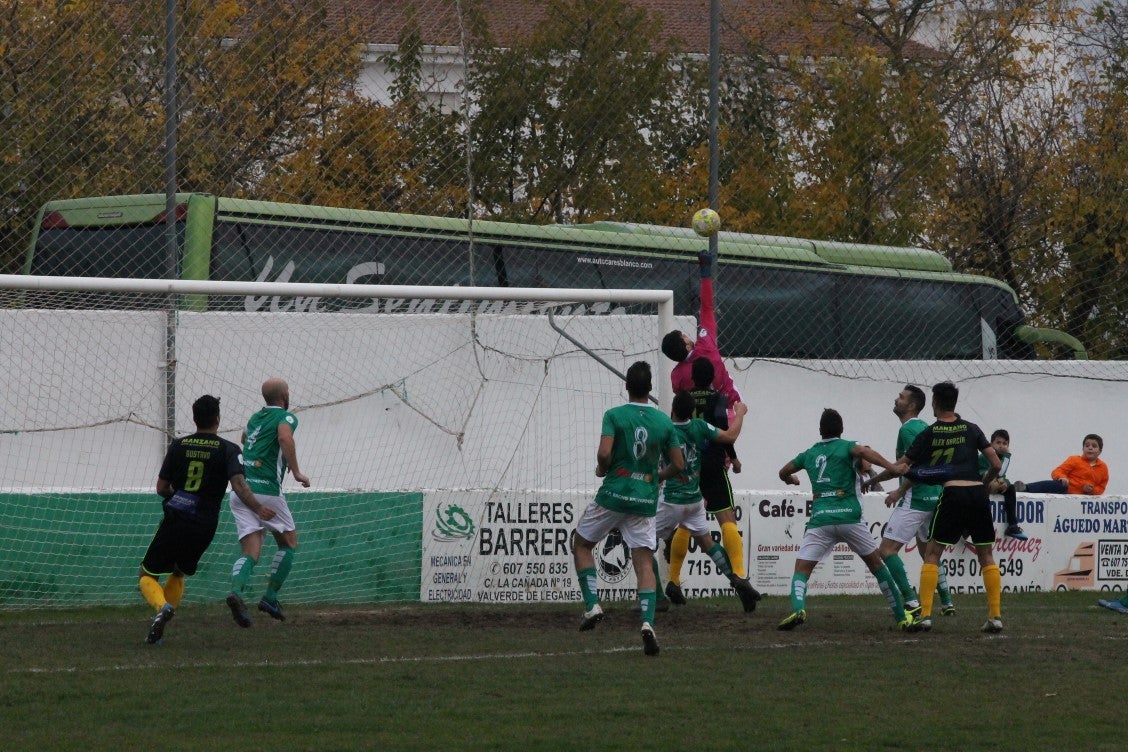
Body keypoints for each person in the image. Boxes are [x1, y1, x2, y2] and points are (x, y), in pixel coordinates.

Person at [868, 381, 1004, 633]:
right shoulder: (972, 428)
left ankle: (926, 615)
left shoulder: (930, 433)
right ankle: (995, 616)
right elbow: (995, 462)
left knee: (931, 554)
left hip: (952, 493)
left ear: (935, 404)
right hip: (977, 494)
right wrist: (984, 485)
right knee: (987, 555)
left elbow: (902, 467)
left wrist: (875, 479)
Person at [138, 395, 275, 645]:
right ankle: (163, 620)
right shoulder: (229, 449)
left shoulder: (178, 446)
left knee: (147, 574)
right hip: (204, 525)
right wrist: (258, 507)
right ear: (218, 419)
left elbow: (161, 487)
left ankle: (161, 608)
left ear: (194, 418)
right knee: (179, 572)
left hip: (176, 518)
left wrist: (178, 496)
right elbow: (239, 485)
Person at [572, 361, 685, 656]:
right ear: (650, 389)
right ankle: (647, 623)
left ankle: (592, 604)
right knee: (644, 562)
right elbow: (679, 465)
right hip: (644, 500)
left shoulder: (614, 415)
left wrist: (601, 467)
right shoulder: (663, 422)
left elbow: (604, 452)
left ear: (626, 386)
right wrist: (656, 478)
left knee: (582, 544)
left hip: (614, 494)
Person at [776, 408, 919, 632]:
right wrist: (892, 467)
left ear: (820, 431)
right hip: (849, 517)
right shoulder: (847, 447)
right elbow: (863, 451)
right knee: (877, 566)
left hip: (821, 519)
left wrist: (790, 479)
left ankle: (798, 609)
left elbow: (783, 471)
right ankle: (901, 617)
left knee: (802, 570)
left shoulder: (810, 453)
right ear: (841, 430)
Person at [664, 358, 758, 610]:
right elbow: (724, 433)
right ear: (713, 376)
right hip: (713, 465)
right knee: (727, 520)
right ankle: (738, 576)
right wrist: (735, 459)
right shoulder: (719, 399)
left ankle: (673, 579)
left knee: (688, 523)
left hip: (686, 471)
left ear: (693, 376)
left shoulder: (684, 400)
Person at [226, 377, 311, 627]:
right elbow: (285, 438)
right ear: (285, 394)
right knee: (289, 543)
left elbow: (244, 438)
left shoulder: (255, 418)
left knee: (250, 552)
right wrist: (296, 472)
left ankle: (236, 592)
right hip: (267, 491)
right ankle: (270, 597)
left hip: (242, 491)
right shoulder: (286, 417)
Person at [873, 385, 956, 620]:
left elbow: (911, 466)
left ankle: (910, 600)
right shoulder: (925, 427)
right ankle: (947, 601)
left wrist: (898, 490)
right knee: (928, 553)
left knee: (887, 551)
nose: (896, 399)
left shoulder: (909, 430)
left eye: (901, 397)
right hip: (936, 496)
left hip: (917, 498)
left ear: (911, 405)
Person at [1015, 434, 1108, 495]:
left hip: (1084, 499)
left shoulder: (1103, 467)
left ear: (1100, 451)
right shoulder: (1074, 459)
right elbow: (1057, 471)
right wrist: (1062, 477)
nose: (1090, 448)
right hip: (1066, 490)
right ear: (1083, 448)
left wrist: (1092, 490)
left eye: (1094, 446)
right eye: (1087, 446)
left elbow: (1101, 487)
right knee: (1056, 484)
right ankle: (1025, 488)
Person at [979, 429, 1026, 539]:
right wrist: (1007, 456)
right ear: (991, 444)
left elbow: (1001, 475)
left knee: (1010, 489)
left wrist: (1005, 483)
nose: (1001, 446)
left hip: (994, 482)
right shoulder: (985, 456)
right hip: (981, 483)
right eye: (998, 443)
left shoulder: (1003, 458)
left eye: (1005, 443)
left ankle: (1013, 526)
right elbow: (993, 472)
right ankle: (968, 530)